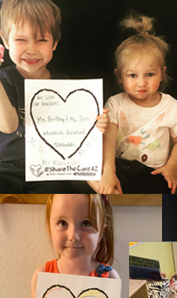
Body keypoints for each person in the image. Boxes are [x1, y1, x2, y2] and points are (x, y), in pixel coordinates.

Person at [0, 0, 108, 193]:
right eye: (20, 40)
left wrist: (96, 124)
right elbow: (8, 126)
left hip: (51, 172)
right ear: (5, 41)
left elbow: (77, 134)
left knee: (59, 193)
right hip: (7, 170)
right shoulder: (4, 80)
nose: (31, 49)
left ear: (54, 44)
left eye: (41, 40)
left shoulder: (66, 86)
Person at [94, 13, 177, 194]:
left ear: (162, 73)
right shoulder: (115, 103)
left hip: (155, 171)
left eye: (150, 74)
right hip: (120, 167)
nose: (141, 82)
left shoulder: (171, 106)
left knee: (167, 191)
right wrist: (109, 171)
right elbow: (109, 139)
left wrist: (172, 166)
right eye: (132, 75)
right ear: (120, 77)